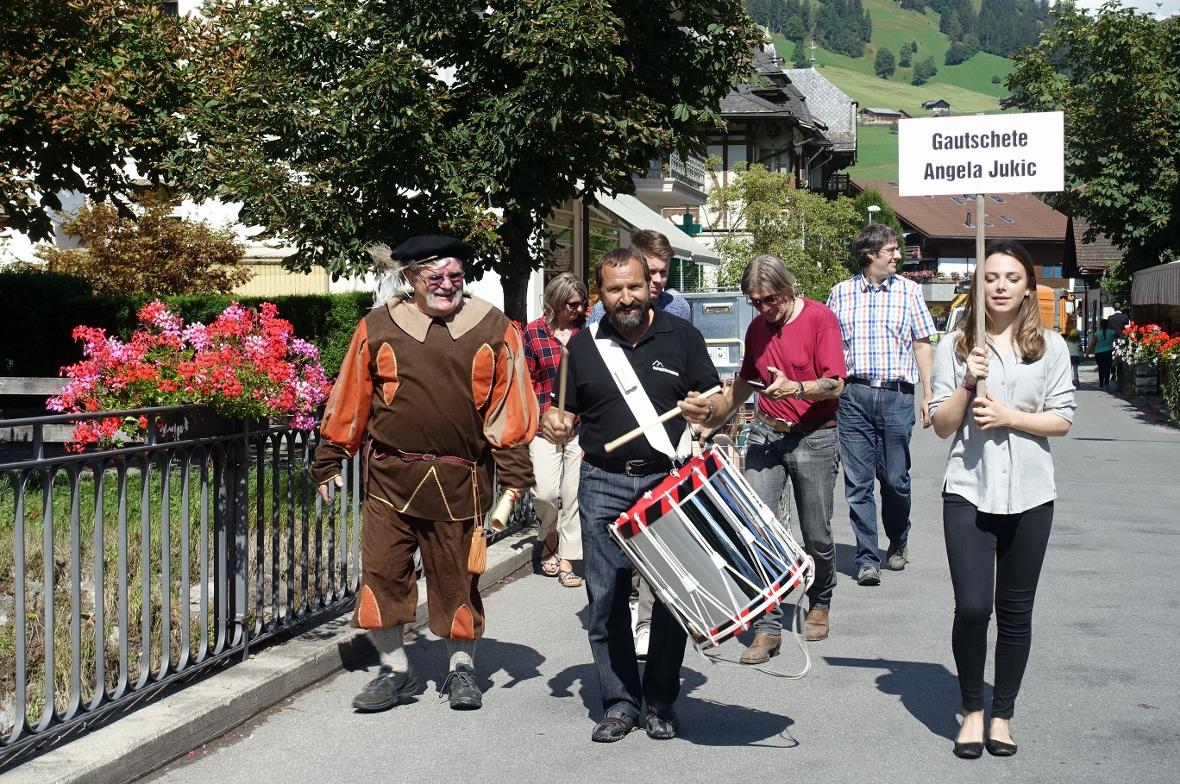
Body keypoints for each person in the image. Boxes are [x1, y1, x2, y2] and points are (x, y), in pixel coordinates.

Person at [311, 235, 538, 713]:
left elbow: (508, 406)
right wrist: (330, 458)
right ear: (411, 278)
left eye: (455, 277)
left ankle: (461, 670)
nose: (447, 286)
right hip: (388, 481)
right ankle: (397, 673)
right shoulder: (376, 326)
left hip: (461, 484)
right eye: (435, 278)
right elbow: (351, 395)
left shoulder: (495, 328)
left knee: (458, 582)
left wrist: (515, 476)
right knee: (383, 577)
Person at [541, 247, 723, 743]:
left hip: (667, 478)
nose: (626, 297)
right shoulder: (582, 346)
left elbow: (718, 399)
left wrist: (708, 410)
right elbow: (563, 415)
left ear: (650, 287)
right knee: (606, 599)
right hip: (602, 480)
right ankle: (620, 702)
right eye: (615, 289)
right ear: (602, 294)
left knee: (671, 597)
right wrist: (554, 425)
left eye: (634, 287)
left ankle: (661, 699)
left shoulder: (681, 335)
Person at [929, 241, 1075, 760]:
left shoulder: (1050, 346)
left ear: (1027, 285)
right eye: (991, 276)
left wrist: (1011, 416)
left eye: (1012, 277)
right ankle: (972, 709)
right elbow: (941, 425)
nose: (1000, 285)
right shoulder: (956, 346)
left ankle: (1003, 714)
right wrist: (968, 381)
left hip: (1032, 494)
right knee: (972, 608)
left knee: (1016, 612)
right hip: (969, 489)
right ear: (977, 283)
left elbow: (1061, 418)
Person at [706, 255, 845, 663]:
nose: (765, 309)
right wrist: (710, 416)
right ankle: (767, 625)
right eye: (755, 302)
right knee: (758, 529)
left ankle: (820, 596)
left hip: (815, 437)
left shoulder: (821, 319)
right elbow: (743, 386)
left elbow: (834, 384)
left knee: (816, 533)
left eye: (770, 300)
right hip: (766, 434)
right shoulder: (756, 329)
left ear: (788, 288)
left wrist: (797, 389)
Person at [589, 230, 689, 656]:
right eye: (651, 273)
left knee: (664, 566)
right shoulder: (596, 323)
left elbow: (693, 380)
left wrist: (707, 406)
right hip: (608, 467)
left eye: (662, 274)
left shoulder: (679, 312)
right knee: (612, 576)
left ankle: (650, 627)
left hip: (663, 460)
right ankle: (619, 698)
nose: (656, 283)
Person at [827, 224, 936, 586]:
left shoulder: (909, 292)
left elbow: (922, 342)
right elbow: (829, 348)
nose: (897, 255)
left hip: (896, 395)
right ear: (870, 253)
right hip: (853, 396)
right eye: (891, 249)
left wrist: (929, 391)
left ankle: (898, 539)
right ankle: (866, 558)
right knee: (857, 483)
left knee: (895, 480)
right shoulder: (840, 294)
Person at [523, 273, 587, 588]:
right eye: (571, 304)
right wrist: (542, 414)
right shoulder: (533, 333)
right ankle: (549, 533)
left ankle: (567, 560)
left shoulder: (587, 333)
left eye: (581, 303)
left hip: (579, 427)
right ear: (556, 301)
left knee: (573, 495)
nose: (578, 309)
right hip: (543, 427)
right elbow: (527, 380)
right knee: (546, 492)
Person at [588, 229, 690, 323]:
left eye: (663, 272)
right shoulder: (601, 313)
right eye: (651, 271)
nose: (658, 280)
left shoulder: (680, 308)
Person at [1090, 318, 1117, 390]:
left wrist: (1087, 352)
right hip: (1108, 352)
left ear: (1100, 326)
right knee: (1107, 368)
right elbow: (1117, 336)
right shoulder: (1112, 332)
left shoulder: (1097, 333)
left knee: (1101, 368)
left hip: (1098, 353)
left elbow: (1093, 343)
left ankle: (1101, 383)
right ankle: (1107, 384)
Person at [1106, 306, 1130, 383]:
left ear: (1114, 309)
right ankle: (1119, 374)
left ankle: (1113, 373)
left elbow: (1108, 329)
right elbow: (1127, 328)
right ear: (1121, 308)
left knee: (1112, 356)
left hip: (1112, 339)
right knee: (1121, 356)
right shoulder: (1125, 317)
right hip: (1122, 339)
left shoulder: (1110, 318)